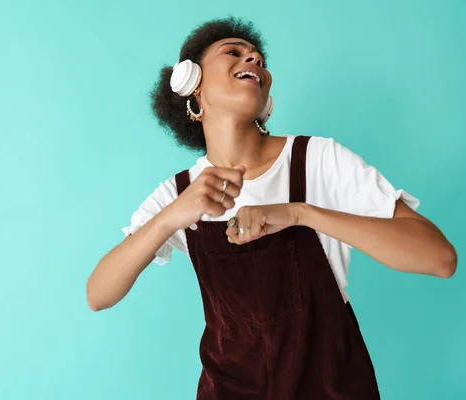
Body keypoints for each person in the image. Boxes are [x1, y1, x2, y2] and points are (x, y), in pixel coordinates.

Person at [86, 17, 457, 399]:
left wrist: (300, 213)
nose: (254, 61)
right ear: (191, 85)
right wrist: (173, 216)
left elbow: (439, 258)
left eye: (259, 60)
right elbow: (98, 294)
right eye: (233, 52)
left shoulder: (317, 160)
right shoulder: (180, 193)